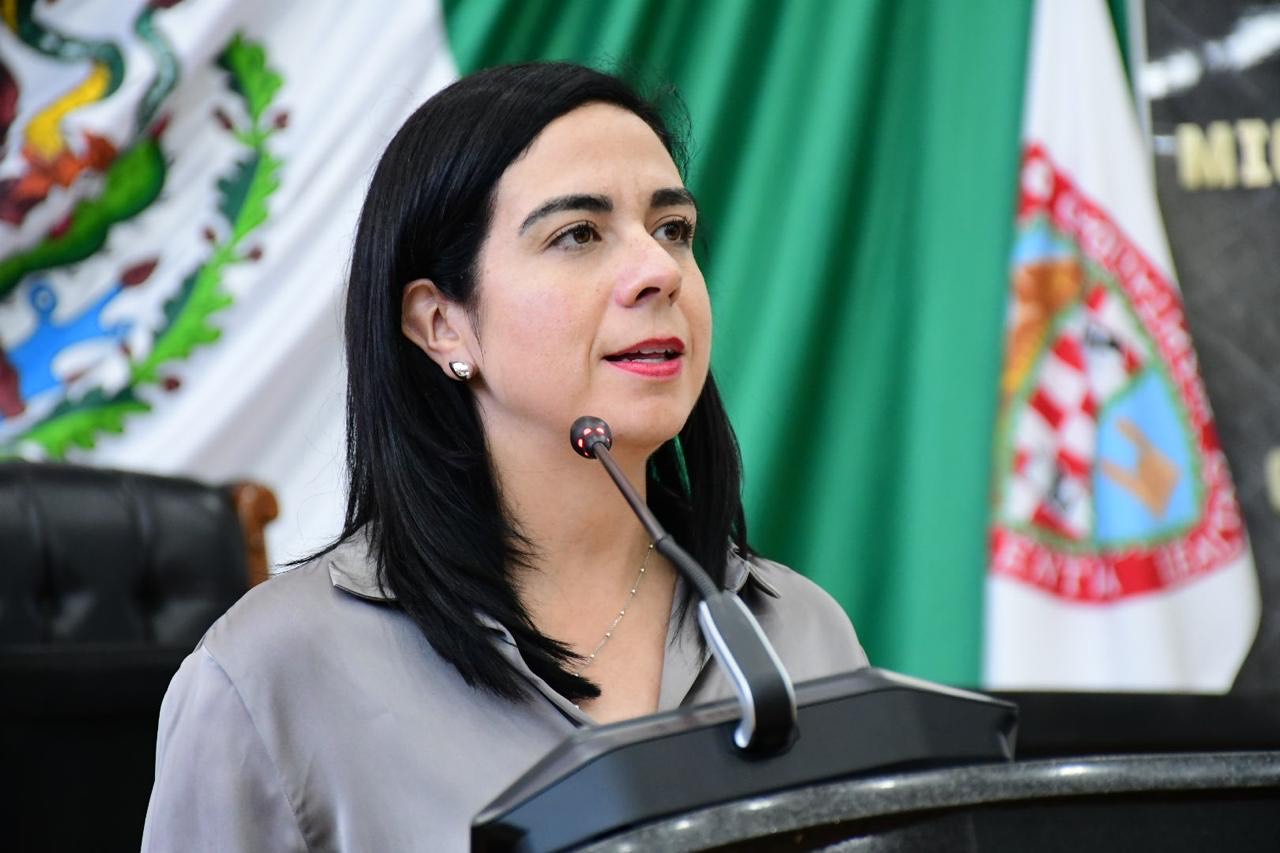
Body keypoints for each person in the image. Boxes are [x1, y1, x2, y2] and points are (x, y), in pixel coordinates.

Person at [142, 62, 867, 851]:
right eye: (578, 233)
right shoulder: (268, 677)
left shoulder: (802, 636)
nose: (660, 271)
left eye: (673, 229)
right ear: (442, 324)